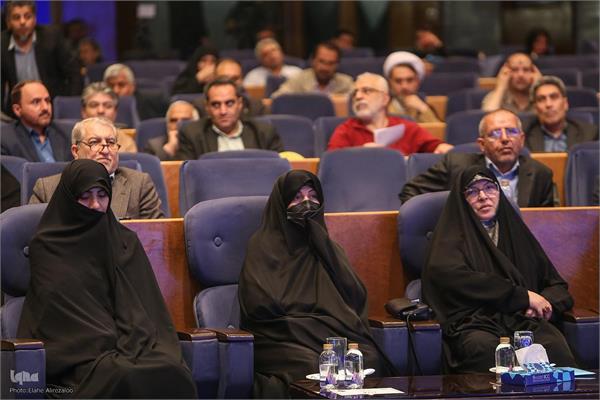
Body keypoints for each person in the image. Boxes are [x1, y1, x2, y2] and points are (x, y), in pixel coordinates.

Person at [19, 159, 197, 397]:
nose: (95, 205)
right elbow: (63, 317)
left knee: (172, 370)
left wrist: (133, 343)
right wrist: (112, 347)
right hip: (77, 358)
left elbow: (147, 307)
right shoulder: (49, 246)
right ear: (69, 199)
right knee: (125, 375)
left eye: (102, 195)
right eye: (85, 196)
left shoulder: (124, 241)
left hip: (129, 344)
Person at [239, 170, 395, 398]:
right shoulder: (262, 247)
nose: (307, 203)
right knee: (313, 364)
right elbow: (260, 306)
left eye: (313, 197)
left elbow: (355, 296)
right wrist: (315, 324)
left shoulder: (330, 249)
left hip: (330, 337)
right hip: (279, 338)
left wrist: (322, 245)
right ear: (281, 205)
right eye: (297, 197)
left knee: (369, 358)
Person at [422, 165, 578, 373]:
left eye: (489, 187)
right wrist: (522, 296)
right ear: (462, 199)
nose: (483, 196)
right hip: (474, 323)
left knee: (553, 345)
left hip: (523, 320)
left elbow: (556, 284)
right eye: (472, 191)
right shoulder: (450, 238)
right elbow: (453, 277)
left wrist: (546, 304)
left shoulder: (517, 233)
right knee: (485, 349)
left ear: (499, 192)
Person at [400, 109, 555, 207]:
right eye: (495, 133)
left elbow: (547, 221)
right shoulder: (455, 165)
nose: (505, 138)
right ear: (482, 144)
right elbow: (410, 192)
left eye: (512, 131)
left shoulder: (540, 173)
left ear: (521, 139)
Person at [29, 117, 164, 219]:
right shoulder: (46, 189)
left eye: (111, 142)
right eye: (94, 142)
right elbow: (35, 239)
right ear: (76, 151)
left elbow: (155, 236)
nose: (105, 150)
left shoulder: (139, 184)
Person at [328, 73, 452, 155]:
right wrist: (359, 154)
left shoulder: (406, 128)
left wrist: (441, 148)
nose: (358, 96)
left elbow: (436, 146)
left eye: (366, 91)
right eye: (355, 93)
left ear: (385, 99)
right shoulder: (345, 130)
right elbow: (330, 164)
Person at [1, 1, 82, 113]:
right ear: (8, 22)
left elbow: (74, 73)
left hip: (53, 107)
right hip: (19, 112)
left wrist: (69, 104)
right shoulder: (2, 44)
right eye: (16, 17)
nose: (22, 22)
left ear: (35, 19)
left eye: (27, 16)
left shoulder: (52, 37)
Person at [175, 77, 283, 160]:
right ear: (207, 107)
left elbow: (280, 172)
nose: (223, 111)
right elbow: (186, 176)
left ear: (240, 104)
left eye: (229, 103)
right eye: (216, 105)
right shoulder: (192, 134)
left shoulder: (263, 132)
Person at [1, 80, 72, 162]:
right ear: (17, 109)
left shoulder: (67, 132)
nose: (45, 107)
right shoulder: (5, 138)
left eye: (47, 100)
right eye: (36, 102)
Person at [525, 75, 597, 152]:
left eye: (554, 97)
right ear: (535, 108)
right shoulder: (524, 137)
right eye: (541, 99)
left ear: (565, 103)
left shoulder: (589, 134)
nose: (548, 104)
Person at [271, 41, 353, 97]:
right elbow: (276, 99)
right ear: (313, 61)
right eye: (321, 62)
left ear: (337, 65)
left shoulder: (346, 83)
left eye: (331, 63)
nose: (325, 67)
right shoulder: (299, 79)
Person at [193, 58, 266, 118]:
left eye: (235, 79)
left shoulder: (255, 106)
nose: (230, 83)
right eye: (224, 78)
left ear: (242, 80)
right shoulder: (200, 106)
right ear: (214, 79)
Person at [383, 51, 441, 123]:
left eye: (409, 80)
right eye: (398, 81)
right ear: (389, 83)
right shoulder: (382, 109)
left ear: (417, 81)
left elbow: (439, 129)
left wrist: (424, 110)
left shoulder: (426, 107)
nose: (404, 86)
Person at [80, 82, 137, 152]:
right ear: (83, 112)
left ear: (115, 112)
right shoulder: (73, 138)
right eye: (94, 105)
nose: (101, 110)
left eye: (108, 106)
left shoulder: (127, 142)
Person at [103, 63, 168, 120]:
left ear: (132, 86)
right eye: (111, 85)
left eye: (121, 85)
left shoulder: (153, 102)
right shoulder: (101, 107)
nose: (116, 90)